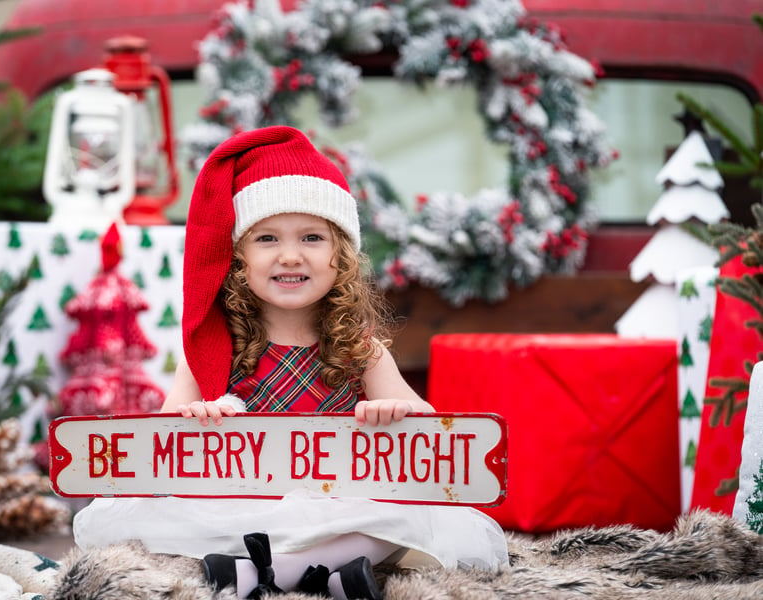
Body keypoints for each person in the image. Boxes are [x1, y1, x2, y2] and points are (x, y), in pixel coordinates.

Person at [73, 126, 509, 599]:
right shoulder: (214, 350)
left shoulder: (360, 350)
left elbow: (429, 430)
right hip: (245, 504)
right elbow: (166, 443)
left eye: (311, 237)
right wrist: (198, 417)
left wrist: (395, 415)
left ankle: (276, 572)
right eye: (266, 239)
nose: (290, 255)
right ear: (237, 258)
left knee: (402, 516)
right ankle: (335, 576)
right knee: (153, 522)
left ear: (340, 255)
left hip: (339, 506)